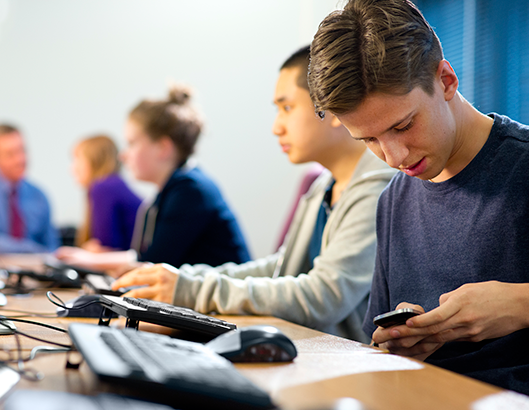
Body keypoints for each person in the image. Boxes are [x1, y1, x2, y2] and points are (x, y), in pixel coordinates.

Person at [308, 0, 529, 395]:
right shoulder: (393, 199)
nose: (394, 157)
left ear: (446, 80)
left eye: (404, 125)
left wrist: (521, 304)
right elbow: (377, 346)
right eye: (369, 140)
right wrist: (405, 342)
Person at [110, 46, 396, 342]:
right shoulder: (322, 188)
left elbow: (324, 295)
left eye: (287, 108)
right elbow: (281, 267)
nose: (276, 127)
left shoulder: (379, 187)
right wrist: (188, 280)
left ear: (334, 106)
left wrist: (191, 290)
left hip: (345, 363)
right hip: (309, 347)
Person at [57, 86, 250, 269]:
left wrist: (93, 260)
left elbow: (152, 263)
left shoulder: (191, 190)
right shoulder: (171, 191)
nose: (123, 155)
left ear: (163, 148)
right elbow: (145, 257)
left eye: (132, 143)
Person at [0, 124, 59, 253]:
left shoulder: (39, 196)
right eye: (10, 154)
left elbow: (52, 249)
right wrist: (31, 249)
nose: (20, 159)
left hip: (34, 270)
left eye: (22, 150)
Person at [70, 134, 141, 252]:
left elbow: (105, 248)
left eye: (77, 158)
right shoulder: (113, 184)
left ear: (95, 160)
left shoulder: (103, 187)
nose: (73, 168)